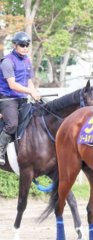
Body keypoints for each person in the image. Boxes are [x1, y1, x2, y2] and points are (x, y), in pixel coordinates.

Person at [0, 31, 41, 165]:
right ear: (15, 45)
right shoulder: (7, 61)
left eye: (27, 45)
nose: (25, 47)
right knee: (12, 124)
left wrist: (34, 92)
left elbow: (29, 81)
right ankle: (0, 150)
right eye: (22, 45)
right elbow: (12, 85)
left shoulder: (27, 61)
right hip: (8, 99)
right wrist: (30, 91)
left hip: (22, 98)